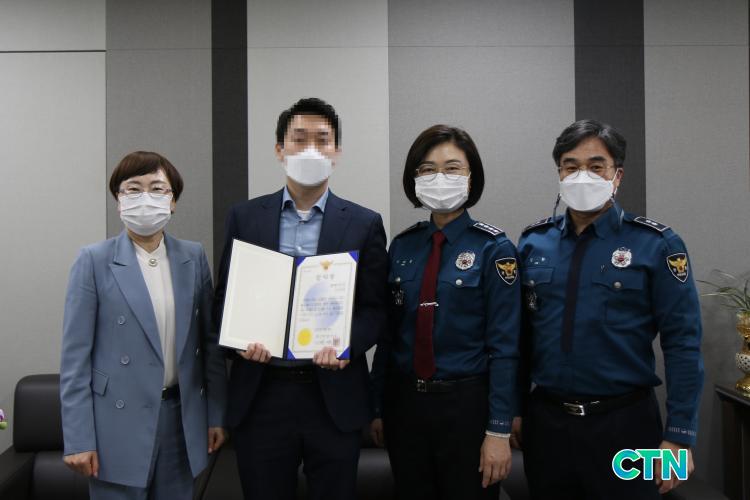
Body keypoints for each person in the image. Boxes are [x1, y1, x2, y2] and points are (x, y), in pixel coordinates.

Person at [515, 119, 704, 499]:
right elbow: (520, 338)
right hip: (548, 424)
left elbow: (683, 343)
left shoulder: (657, 244)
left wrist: (680, 437)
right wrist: (514, 410)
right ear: (559, 173)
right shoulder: (533, 243)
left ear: (617, 175)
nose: (581, 176)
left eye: (596, 166)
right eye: (571, 166)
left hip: (627, 425)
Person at [213, 97, 389, 500]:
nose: (311, 149)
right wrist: (238, 341)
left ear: (337, 152)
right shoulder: (245, 217)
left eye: (322, 140)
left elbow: (376, 309)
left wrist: (346, 345)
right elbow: (224, 299)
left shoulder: (364, 223)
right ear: (280, 149)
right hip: (262, 394)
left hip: (333, 397)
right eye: (299, 139)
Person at [60, 151, 228, 499]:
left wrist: (215, 415)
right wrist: (78, 439)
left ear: (173, 201)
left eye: (157, 188)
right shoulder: (93, 260)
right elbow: (75, 361)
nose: (145, 198)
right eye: (133, 189)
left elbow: (209, 346)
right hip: (115, 425)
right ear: (119, 200)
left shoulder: (193, 257)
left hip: (180, 421)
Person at [370, 124, 521, 499]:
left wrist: (499, 428)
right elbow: (388, 337)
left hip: (466, 407)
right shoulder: (402, 246)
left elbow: (505, 347)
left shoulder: (494, 249)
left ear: (471, 177)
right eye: (427, 169)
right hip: (405, 406)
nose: (439, 178)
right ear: (414, 179)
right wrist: (377, 407)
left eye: (452, 168)